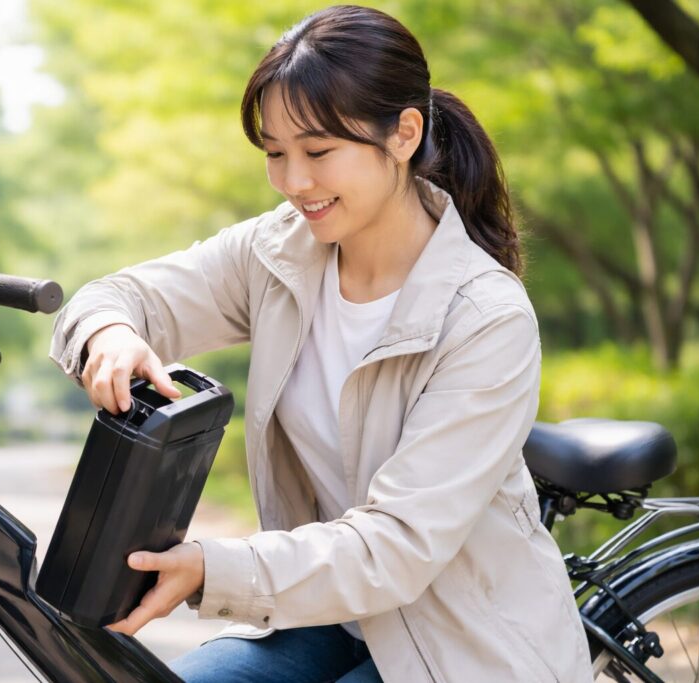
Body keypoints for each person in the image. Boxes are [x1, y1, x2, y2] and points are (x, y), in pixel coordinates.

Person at [49, 5, 592, 682]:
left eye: (318, 152)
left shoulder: (485, 317)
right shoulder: (279, 253)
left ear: (404, 134)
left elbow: (396, 547)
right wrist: (110, 333)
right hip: (325, 617)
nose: (293, 183)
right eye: (275, 153)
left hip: (458, 644)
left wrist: (214, 569)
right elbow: (118, 295)